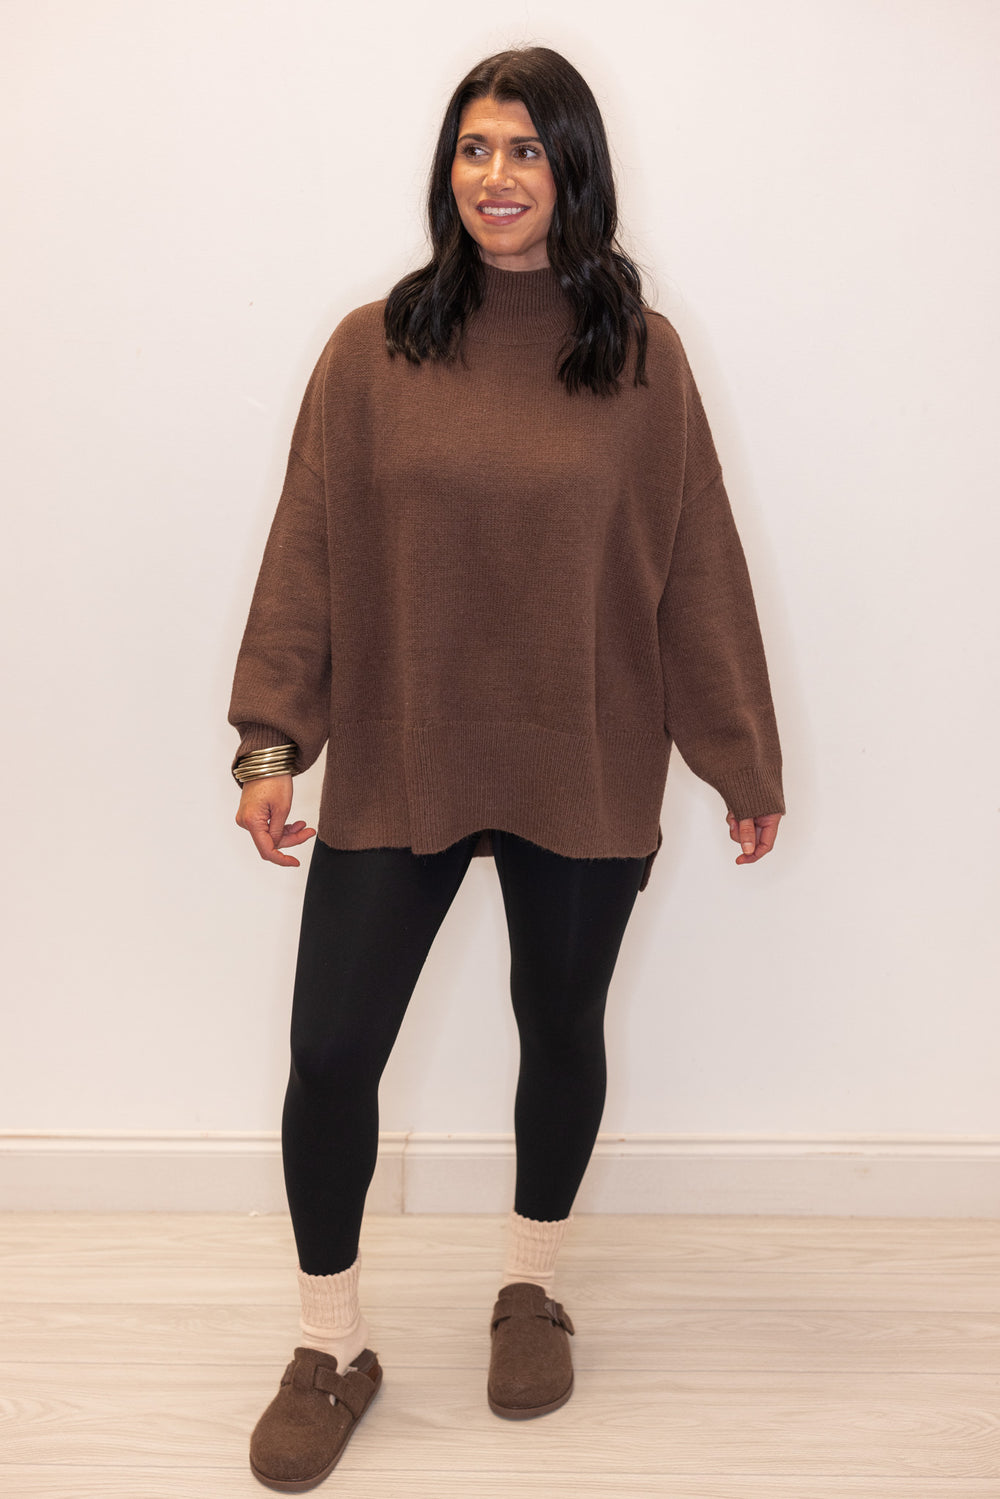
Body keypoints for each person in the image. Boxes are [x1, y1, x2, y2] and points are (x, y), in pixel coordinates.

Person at [229, 45, 784, 1492]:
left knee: (561, 1025)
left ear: (573, 170)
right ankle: (330, 1344)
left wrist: (740, 759)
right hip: (403, 754)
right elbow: (306, 554)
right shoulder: (371, 351)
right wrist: (272, 741)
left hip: (583, 756)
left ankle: (531, 1284)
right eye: (474, 147)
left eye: (526, 149)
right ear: (447, 170)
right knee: (330, 1054)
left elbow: (698, 570)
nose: (495, 174)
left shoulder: (643, 360)